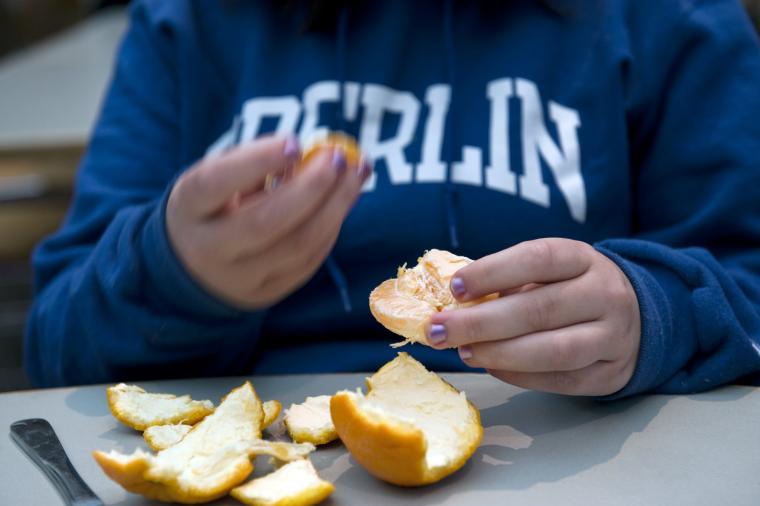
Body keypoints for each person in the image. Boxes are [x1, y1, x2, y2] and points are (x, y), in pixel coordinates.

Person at [25, 0, 760, 398]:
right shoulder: (187, 24)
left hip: (581, 451)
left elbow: (746, 282)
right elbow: (55, 349)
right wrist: (172, 275)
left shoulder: (671, 19)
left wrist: (653, 313)